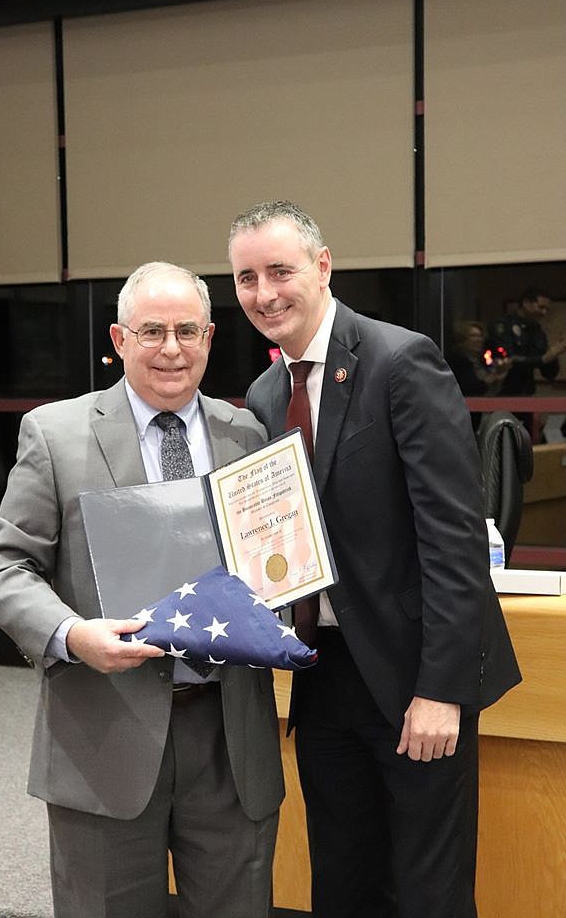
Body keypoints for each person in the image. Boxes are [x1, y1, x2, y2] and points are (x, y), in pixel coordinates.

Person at [228, 200, 521, 918]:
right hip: (322, 676)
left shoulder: (400, 360)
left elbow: (453, 544)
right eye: (245, 278)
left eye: (280, 271)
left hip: (414, 675)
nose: (264, 293)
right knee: (343, 880)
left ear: (323, 267)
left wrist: (442, 689)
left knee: (428, 890)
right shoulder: (267, 393)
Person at [0, 262, 284, 918]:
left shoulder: (247, 436)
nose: (171, 348)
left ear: (208, 337)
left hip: (230, 741)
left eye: (186, 331)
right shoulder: (56, 435)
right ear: (119, 339)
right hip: (104, 733)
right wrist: (70, 635)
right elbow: (3, 569)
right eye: (151, 331)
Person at [487, 287, 566, 397]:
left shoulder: (537, 330)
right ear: (526, 303)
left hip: (526, 395)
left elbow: (548, 374)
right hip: (502, 393)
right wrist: (543, 359)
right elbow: (508, 358)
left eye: (547, 309)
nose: (544, 312)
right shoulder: (503, 325)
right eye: (541, 307)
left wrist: (553, 355)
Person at [447, 319, 511, 431]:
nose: (479, 339)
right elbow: (470, 388)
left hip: (479, 416)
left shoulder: (480, 361)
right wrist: (492, 377)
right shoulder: (458, 361)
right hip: (461, 417)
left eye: (480, 336)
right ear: (463, 340)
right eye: (473, 336)